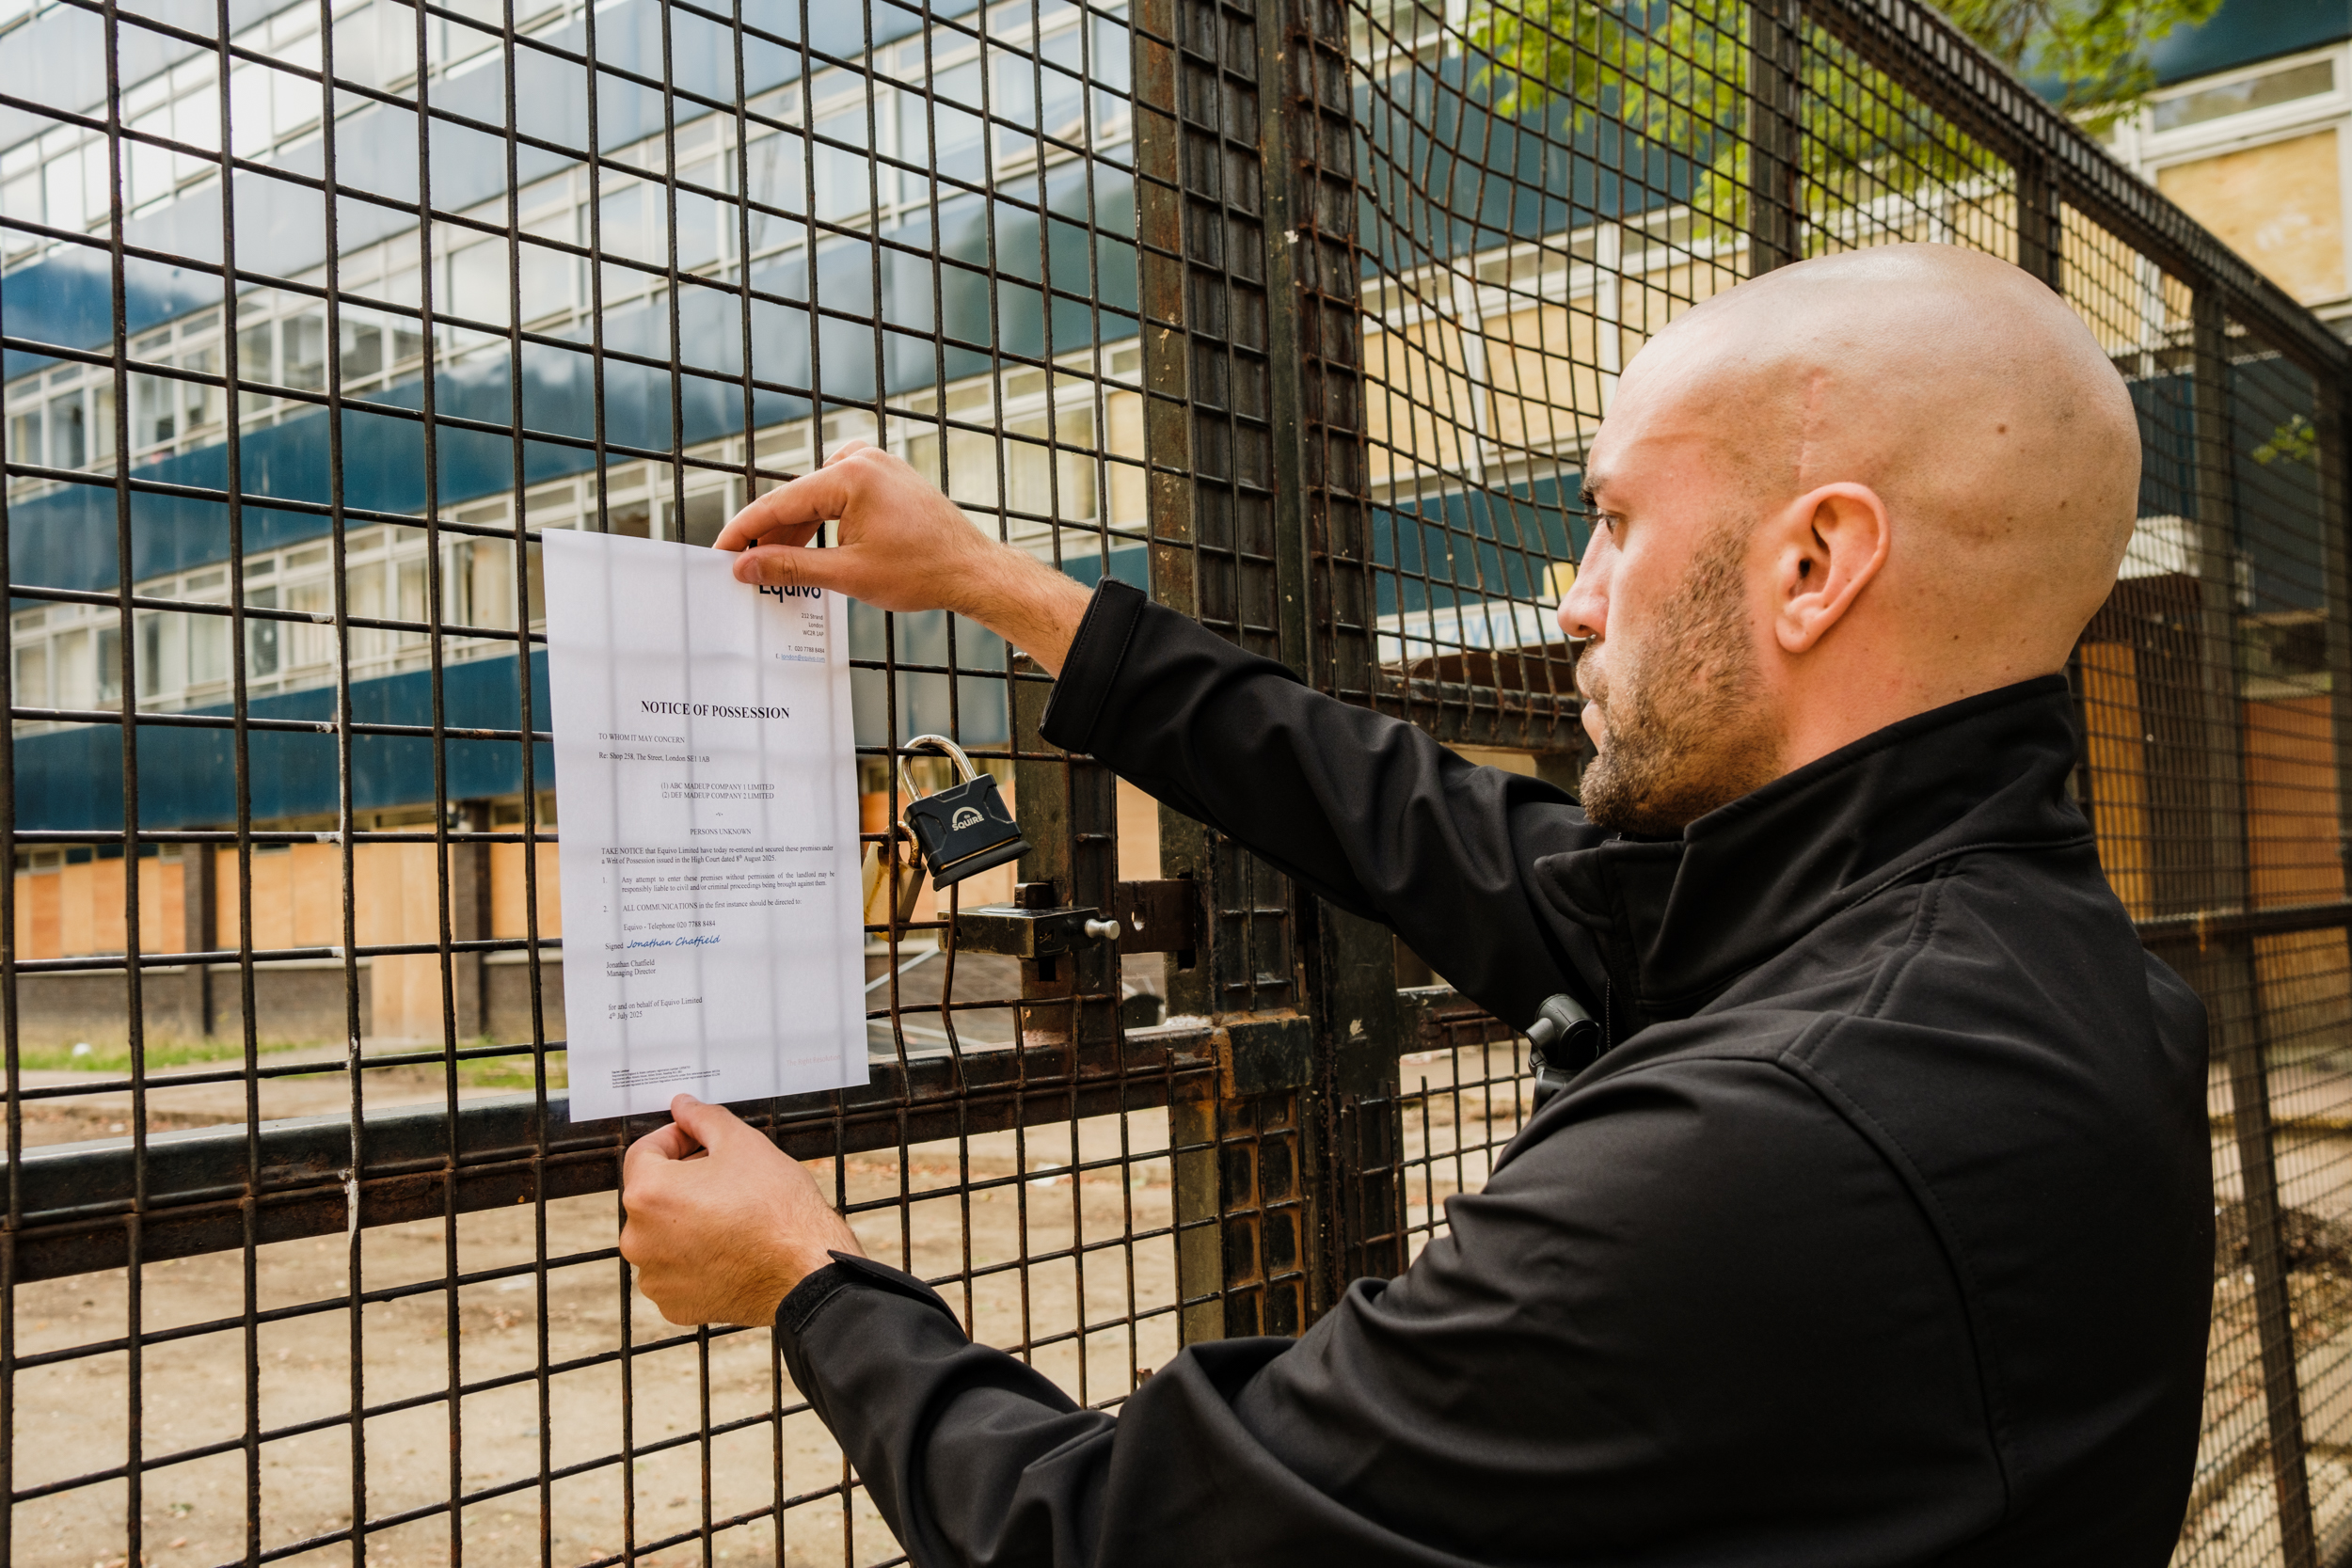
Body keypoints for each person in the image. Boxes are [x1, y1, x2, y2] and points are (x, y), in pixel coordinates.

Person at [617, 242, 2213, 1566]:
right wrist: (995, 585)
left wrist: (810, 1283)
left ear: (1814, 565)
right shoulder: (2027, 963)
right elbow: (1412, 817)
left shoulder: (1767, 1138)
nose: (1573, 598)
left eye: (1614, 517)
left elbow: (1112, 1542)